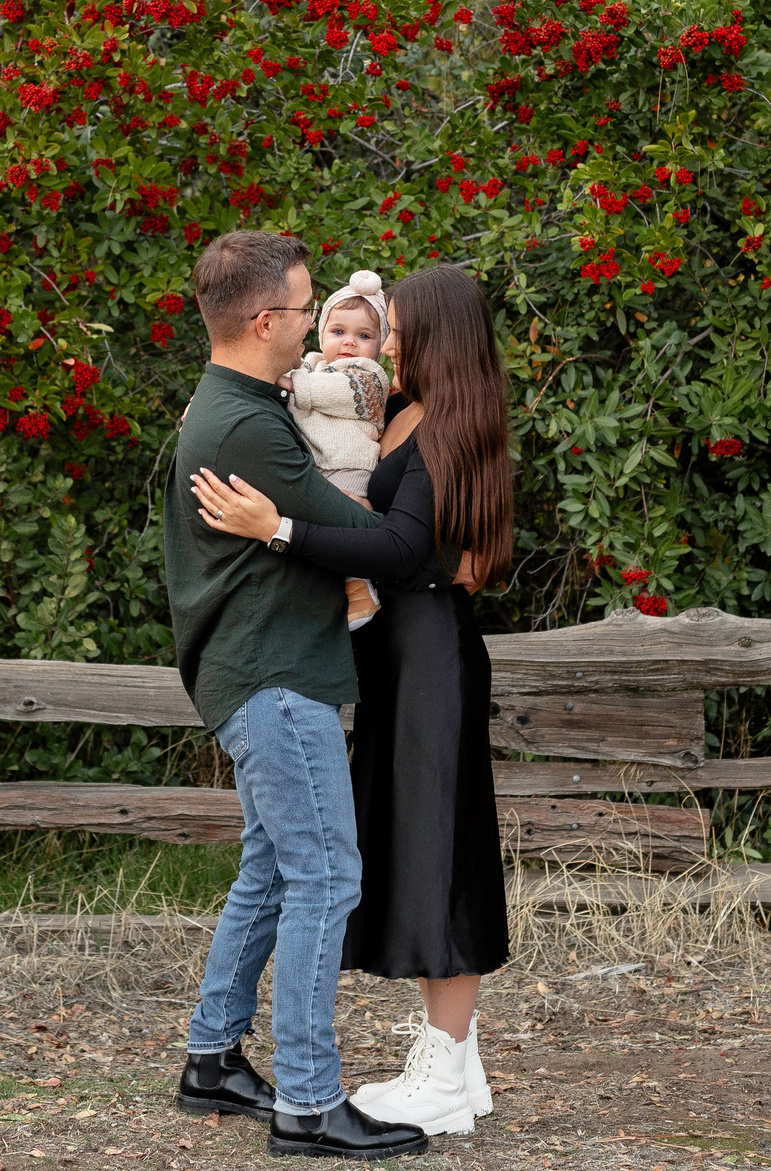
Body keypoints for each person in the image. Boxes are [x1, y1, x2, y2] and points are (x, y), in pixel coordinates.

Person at [191, 263, 515, 1139]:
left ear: (440, 333)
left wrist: (282, 529)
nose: (388, 334)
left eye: (401, 324)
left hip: (430, 655)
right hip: (393, 656)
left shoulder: (451, 422)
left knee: (438, 855)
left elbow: (408, 550)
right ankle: (458, 1063)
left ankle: (443, 1069)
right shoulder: (400, 409)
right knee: (415, 847)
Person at [163, 229, 428, 1162]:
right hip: (274, 675)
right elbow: (359, 529)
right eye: (307, 305)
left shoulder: (245, 404)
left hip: (260, 670)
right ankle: (310, 1102)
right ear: (266, 319)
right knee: (326, 877)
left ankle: (212, 1059)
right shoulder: (248, 426)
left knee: (273, 871)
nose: (317, 321)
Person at [286, 268, 392, 629]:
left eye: (364, 335)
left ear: (380, 345)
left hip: (348, 465)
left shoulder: (370, 377)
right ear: (321, 334)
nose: (349, 343)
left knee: (340, 530)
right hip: (316, 463)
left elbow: (338, 392)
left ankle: (360, 590)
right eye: (338, 332)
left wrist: (289, 384)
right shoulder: (309, 366)